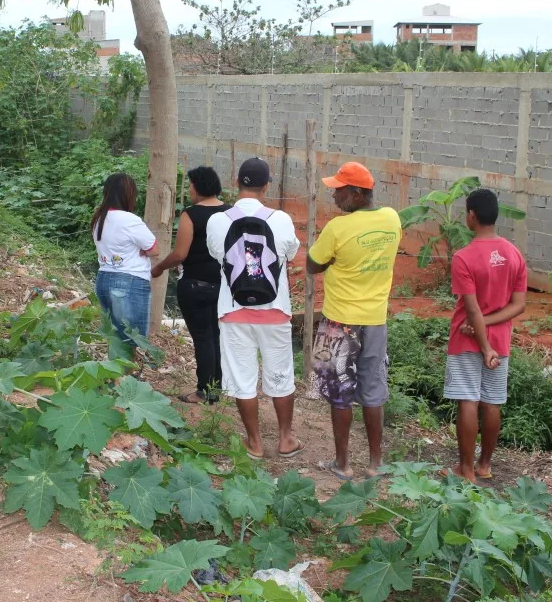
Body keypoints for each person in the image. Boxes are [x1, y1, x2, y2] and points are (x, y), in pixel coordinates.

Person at [306, 162, 402, 480]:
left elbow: (312, 264)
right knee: (373, 390)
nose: (334, 195)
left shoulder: (338, 229)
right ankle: (376, 464)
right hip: (376, 321)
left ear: (357, 193)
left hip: (339, 322)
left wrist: (335, 259)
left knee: (338, 392)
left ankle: (342, 463)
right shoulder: (392, 219)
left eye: (339, 189)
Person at [207, 158, 303, 460]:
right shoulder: (282, 219)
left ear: (236, 182)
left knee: (242, 378)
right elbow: (290, 253)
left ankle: (255, 442)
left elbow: (217, 255)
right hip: (275, 309)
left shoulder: (217, 220)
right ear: (266, 185)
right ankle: (286, 439)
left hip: (234, 311)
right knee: (281, 374)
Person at [444, 188, 526, 483]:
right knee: (492, 402)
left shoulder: (463, 257)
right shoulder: (514, 254)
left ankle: (465, 470)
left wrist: (483, 343)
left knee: (467, 400)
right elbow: (519, 305)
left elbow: (473, 310)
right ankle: (484, 465)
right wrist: (492, 340)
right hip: (501, 340)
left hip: (468, 340)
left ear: (471, 216)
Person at [152, 166, 229, 404]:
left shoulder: (191, 214)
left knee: (203, 337)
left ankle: (204, 390)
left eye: (190, 185)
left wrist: (159, 267)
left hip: (196, 285)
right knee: (217, 336)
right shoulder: (230, 212)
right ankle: (217, 387)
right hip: (224, 286)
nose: (189, 189)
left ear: (198, 186)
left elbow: (180, 254)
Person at [93, 173, 157, 346]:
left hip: (103, 279)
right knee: (132, 338)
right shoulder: (130, 220)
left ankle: (116, 372)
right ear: (128, 194)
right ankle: (129, 372)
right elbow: (154, 250)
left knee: (116, 337)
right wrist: (142, 249)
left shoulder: (99, 218)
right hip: (129, 281)